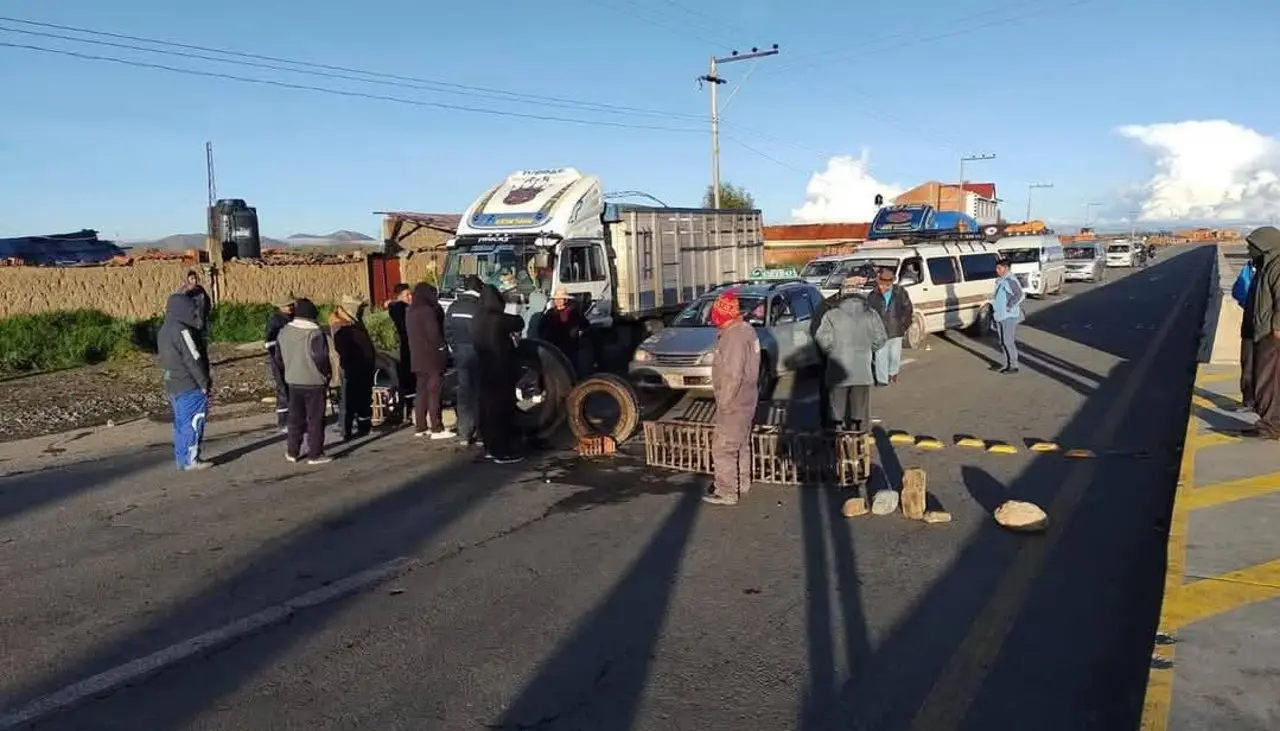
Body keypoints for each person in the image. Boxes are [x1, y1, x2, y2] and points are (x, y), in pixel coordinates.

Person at [814, 283, 890, 513]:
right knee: (859, 420)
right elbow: (881, 340)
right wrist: (865, 350)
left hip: (837, 373)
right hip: (862, 373)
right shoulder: (871, 314)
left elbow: (821, 340)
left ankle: (839, 463)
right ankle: (859, 464)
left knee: (837, 419)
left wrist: (834, 352)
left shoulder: (832, 315)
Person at [702, 290, 761, 506]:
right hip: (748, 396)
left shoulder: (733, 336)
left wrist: (724, 402)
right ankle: (742, 483)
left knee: (724, 447)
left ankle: (726, 490)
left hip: (735, 399)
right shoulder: (746, 330)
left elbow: (733, 373)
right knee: (741, 443)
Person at [473, 284, 527, 463]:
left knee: (486, 410)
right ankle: (502, 451)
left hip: (483, 369)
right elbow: (519, 322)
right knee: (501, 411)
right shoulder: (498, 319)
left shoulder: (477, 318)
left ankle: (489, 447)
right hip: (500, 370)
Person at [159, 292, 213, 471]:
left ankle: (182, 458)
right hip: (189, 384)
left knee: (181, 424)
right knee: (193, 422)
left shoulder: (164, 330)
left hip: (173, 384)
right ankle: (192, 459)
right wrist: (204, 382)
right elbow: (194, 358)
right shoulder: (183, 331)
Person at [278, 298, 333, 465]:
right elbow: (321, 358)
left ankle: (292, 451)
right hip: (314, 381)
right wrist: (327, 375)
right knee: (315, 419)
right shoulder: (315, 333)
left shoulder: (284, 332)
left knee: (295, 418)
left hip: (293, 380)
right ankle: (315, 453)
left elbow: (278, 358)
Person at [1246, 226, 1280, 438]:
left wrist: (1277, 326)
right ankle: (1271, 422)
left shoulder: (1277, 265)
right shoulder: (1266, 264)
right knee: (1269, 380)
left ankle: (1271, 425)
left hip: (1272, 334)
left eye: (1252, 247)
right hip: (1265, 331)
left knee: (1268, 380)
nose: (1249, 251)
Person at [407, 282, 452, 439]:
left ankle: (420, 426)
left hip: (417, 358)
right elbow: (434, 334)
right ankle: (436, 427)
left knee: (421, 392)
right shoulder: (428, 311)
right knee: (434, 392)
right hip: (431, 357)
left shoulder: (410, 311)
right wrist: (442, 348)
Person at [329, 295, 377, 441]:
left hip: (363, 366)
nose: (362, 312)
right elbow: (343, 351)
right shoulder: (340, 326)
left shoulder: (354, 323)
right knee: (348, 400)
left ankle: (364, 426)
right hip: (351, 367)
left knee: (363, 398)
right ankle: (346, 430)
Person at [444, 275, 483, 445]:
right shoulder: (479, 307)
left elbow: (447, 330)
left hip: (460, 354)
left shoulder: (453, 307)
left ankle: (464, 434)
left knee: (464, 393)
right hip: (477, 354)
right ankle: (481, 433)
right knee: (478, 394)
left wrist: (456, 347)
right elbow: (483, 332)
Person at [866, 267, 914, 386]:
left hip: (896, 328)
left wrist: (903, 325)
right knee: (880, 354)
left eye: (886, 284)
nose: (883, 287)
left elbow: (908, 309)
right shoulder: (873, 295)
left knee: (894, 354)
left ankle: (892, 372)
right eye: (881, 284)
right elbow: (868, 312)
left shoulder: (900, 292)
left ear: (891, 283)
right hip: (879, 330)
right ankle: (882, 379)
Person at [538, 288, 593, 378]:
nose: (558, 301)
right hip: (554, 345)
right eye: (556, 299)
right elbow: (542, 328)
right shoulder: (550, 313)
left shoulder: (573, 312)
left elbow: (585, 325)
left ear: (565, 300)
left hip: (569, 345)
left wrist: (578, 330)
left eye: (560, 299)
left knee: (571, 368)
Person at [263, 296, 294, 431]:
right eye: (287, 305)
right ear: (280, 307)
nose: (290, 307)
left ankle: (294, 418)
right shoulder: (275, 320)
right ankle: (284, 421)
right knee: (283, 389)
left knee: (291, 388)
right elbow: (269, 342)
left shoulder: (293, 318)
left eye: (291, 305)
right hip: (278, 359)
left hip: (291, 358)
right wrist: (278, 355)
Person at [991, 258, 1026, 374]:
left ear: (1006, 268)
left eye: (999, 268)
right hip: (1000, 315)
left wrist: (1009, 306)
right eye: (997, 268)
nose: (997, 270)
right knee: (1002, 342)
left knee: (1008, 341)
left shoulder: (1010, 280)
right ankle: (1006, 364)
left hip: (1008, 316)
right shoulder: (1000, 280)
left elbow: (1020, 295)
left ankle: (1013, 366)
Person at [386, 283, 415, 421]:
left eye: (410, 294)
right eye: (406, 295)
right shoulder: (401, 310)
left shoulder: (397, 308)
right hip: (404, 350)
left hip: (407, 350)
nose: (410, 297)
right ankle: (408, 409)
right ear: (399, 297)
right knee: (408, 381)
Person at [1233, 257, 1258, 412]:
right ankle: (1249, 400)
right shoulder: (1250, 268)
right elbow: (1238, 290)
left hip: (1265, 326)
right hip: (1252, 325)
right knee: (1249, 364)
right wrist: (1250, 306)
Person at [181, 269, 212, 338]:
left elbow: (207, 301)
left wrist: (207, 313)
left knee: (203, 341)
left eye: (195, 278)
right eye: (192, 279)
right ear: (188, 280)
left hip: (202, 320)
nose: (194, 280)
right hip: (191, 323)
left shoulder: (200, 289)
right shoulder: (185, 292)